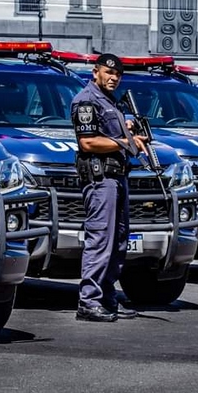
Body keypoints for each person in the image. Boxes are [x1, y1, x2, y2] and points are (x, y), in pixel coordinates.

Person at [71, 53, 147, 322]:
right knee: (101, 239)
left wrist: (129, 131)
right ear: (96, 72)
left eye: (117, 75)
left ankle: (107, 298)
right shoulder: (87, 101)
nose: (113, 78)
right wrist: (126, 143)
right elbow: (88, 143)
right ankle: (88, 302)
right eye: (108, 72)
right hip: (101, 179)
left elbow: (110, 135)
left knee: (118, 241)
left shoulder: (110, 101)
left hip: (118, 177)